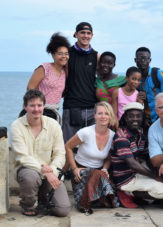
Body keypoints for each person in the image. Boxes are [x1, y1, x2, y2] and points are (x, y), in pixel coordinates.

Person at [10, 89, 71, 217]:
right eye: (32, 105)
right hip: (28, 170)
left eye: (39, 105)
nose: (36, 109)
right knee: (30, 177)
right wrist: (45, 171)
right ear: (25, 107)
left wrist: (52, 170)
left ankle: (44, 198)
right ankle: (28, 205)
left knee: (62, 210)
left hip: (51, 171)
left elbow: (60, 154)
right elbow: (22, 157)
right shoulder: (17, 126)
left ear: (43, 106)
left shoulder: (53, 125)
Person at [111, 102, 163, 208]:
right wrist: (155, 177)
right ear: (125, 118)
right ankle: (127, 193)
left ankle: (139, 194)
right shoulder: (121, 136)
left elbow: (148, 155)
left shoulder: (140, 133)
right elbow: (132, 164)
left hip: (136, 173)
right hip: (125, 178)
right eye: (131, 116)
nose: (135, 119)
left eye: (138, 116)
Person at [65, 102, 117, 214]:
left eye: (106, 114)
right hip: (81, 172)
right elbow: (68, 147)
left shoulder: (113, 136)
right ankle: (87, 200)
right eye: (100, 113)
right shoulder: (85, 132)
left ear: (110, 116)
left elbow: (108, 157)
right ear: (94, 115)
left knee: (111, 200)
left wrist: (105, 169)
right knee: (97, 191)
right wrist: (74, 169)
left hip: (99, 172)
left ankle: (94, 198)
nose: (103, 116)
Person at [62, 22, 100, 142]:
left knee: (90, 147)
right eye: (82, 32)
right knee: (68, 146)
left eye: (88, 33)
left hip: (91, 107)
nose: (85, 35)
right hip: (71, 106)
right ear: (76, 34)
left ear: (92, 35)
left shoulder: (96, 56)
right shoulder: (67, 54)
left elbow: (103, 79)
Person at [24, 33, 71, 123]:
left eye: (66, 54)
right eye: (60, 53)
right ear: (53, 55)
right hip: (38, 111)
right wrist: (34, 108)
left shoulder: (65, 72)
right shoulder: (44, 68)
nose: (64, 56)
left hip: (53, 112)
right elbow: (30, 88)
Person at [135, 47, 163, 124]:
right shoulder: (136, 79)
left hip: (161, 118)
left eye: (145, 58)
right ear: (135, 60)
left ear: (150, 60)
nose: (142, 61)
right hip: (145, 120)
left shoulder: (160, 74)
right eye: (140, 58)